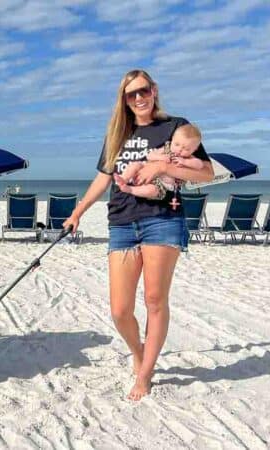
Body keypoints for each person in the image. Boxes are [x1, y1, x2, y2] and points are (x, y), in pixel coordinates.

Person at [62, 69, 214, 401]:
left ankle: (145, 374)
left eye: (143, 91)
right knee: (119, 309)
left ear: (154, 90)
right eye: (131, 95)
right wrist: (77, 212)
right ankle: (138, 349)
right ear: (125, 100)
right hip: (121, 223)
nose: (139, 98)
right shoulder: (118, 134)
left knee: (155, 301)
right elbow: (103, 179)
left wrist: (161, 167)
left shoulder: (176, 127)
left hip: (162, 220)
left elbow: (206, 172)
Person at [115, 124, 205, 205]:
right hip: (143, 171)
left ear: (195, 149)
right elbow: (150, 155)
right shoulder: (166, 148)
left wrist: (185, 162)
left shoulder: (188, 158)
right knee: (135, 165)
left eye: (186, 149)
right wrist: (160, 157)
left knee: (153, 191)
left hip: (161, 184)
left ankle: (130, 189)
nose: (180, 150)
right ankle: (123, 179)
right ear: (172, 139)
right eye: (177, 144)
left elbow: (200, 165)